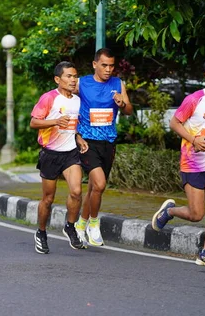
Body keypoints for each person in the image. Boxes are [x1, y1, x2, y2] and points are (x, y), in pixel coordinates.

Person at [151, 55, 205, 267]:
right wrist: (193, 140)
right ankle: (169, 211)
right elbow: (174, 122)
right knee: (196, 214)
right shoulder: (194, 99)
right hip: (192, 163)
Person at [74, 48, 133, 247]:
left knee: (93, 188)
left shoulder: (118, 84)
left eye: (111, 66)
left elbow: (129, 110)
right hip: (87, 142)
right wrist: (74, 133)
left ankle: (80, 224)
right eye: (104, 65)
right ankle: (93, 223)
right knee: (99, 184)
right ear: (95, 64)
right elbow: (66, 100)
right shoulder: (82, 83)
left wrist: (122, 103)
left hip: (108, 142)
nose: (108, 70)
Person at [30, 61, 89, 254]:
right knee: (48, 199)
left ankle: (70, 226)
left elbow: (73, 126)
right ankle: (41, 232)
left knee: (76, 192)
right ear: (58, 79)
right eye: (69, 76)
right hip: (50, 154)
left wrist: (79, 138)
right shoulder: (49, 98)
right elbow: (33, 122)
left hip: (70, 153)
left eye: (75, 76)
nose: (73, 80)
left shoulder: (77, 100)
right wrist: (55, 121)